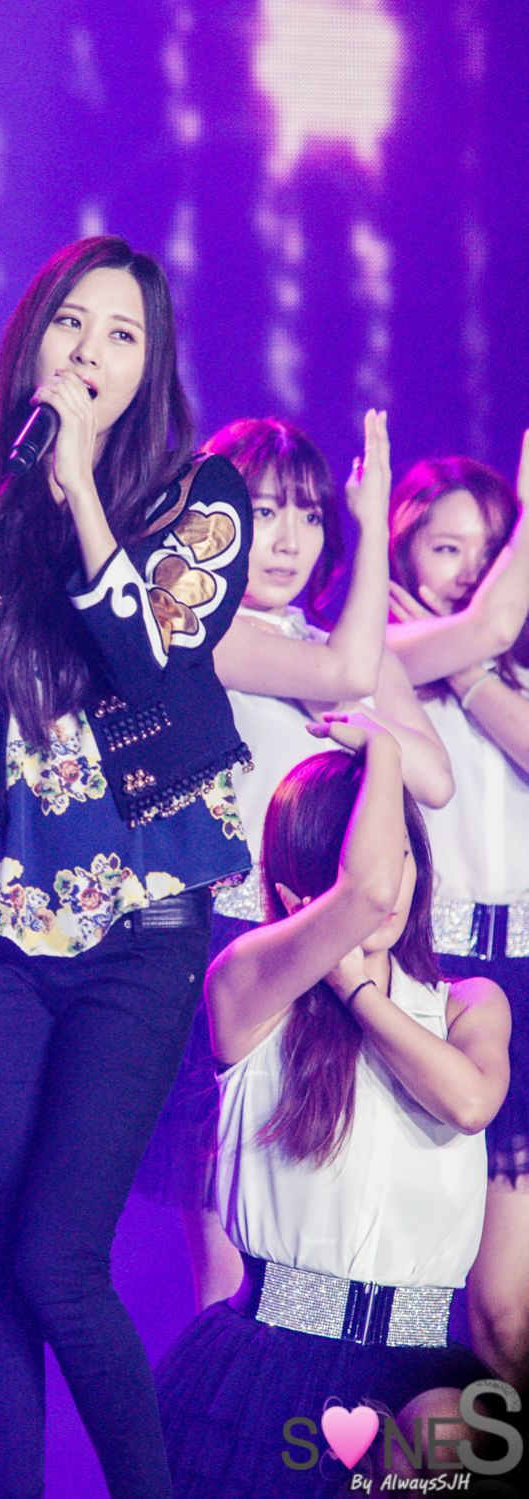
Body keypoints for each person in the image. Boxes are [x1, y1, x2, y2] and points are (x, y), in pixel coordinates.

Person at [0, 235, 254, 1498]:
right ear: (31, 339)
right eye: (71, 324)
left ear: (150, 368)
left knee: (59, 1259)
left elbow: (147, 665)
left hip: (139, 931)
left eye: (121, 335)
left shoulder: (200, 506)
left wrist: (84, 494)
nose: (90, 351)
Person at [134, 414, 453, 1313]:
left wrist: (368, 724)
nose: (286, 539)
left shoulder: (330, 648)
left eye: (310, 515)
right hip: (234, 941)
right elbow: (348, 671)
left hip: (343, 945)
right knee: (231, 1254)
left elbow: (432, 778)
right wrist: (371, 532)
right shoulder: (193, 633)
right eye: (264, 509)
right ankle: (224, 1400)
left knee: (320, 1222)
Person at [155, 714, 510, 1496]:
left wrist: (357, 992)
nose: (388, 881)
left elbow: (470, 1100)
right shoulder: (245, 985)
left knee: (453, 1447)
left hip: (419, 1367)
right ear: (304, 875)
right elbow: (364, 895)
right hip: (272, 1362)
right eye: (362, 857)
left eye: (403, 854)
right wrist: (385, 749)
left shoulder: (465, 1002)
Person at [386, 433, 529, 1390]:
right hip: (424, 981)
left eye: (491, 550)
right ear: (400, 549)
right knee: (420, 1300)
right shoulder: (379, 653)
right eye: (446, 547)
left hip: (518, 984)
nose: (471, 573)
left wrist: (476, 681)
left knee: (506, 1312)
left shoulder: (507, 669)